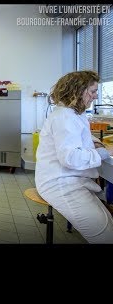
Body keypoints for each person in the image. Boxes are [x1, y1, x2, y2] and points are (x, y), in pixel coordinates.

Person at [35, 70, 113, 243]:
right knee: (106, 235)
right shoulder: (64, 117)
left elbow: (82, 136)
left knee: (107, 223)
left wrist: (97, 144)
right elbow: (70, 158)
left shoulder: (75, 113)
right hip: (61, 184)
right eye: (92, 92)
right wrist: (105, 152)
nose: (94, 97)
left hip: (71, 180)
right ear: (77, 91)